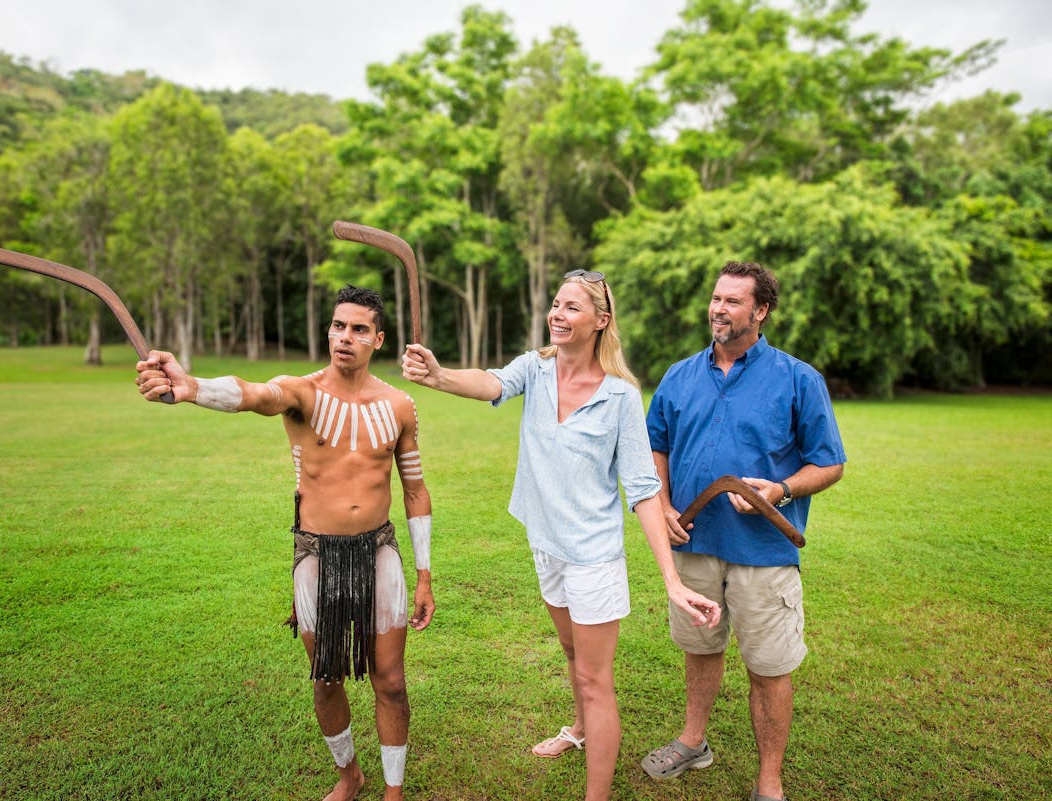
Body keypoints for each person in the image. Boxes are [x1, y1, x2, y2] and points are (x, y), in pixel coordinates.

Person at [402, 270, 720, 801]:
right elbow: (491, 383)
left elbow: (643, 490)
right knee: (572, 654)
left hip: (593, 559)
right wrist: (438, 376)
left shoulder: (620, 397)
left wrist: (670, 580)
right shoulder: (537, 369)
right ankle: (576, 730)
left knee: (596, 680)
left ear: (601, 320)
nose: (557, 314)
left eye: (572, 307)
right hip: (547, 545)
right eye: (555, 303)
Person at [135, 285, 435, 801]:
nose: (345, 337)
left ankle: (394, 791)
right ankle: (349, 776)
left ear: (378, 339)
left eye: (359, 329)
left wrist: (425, 573)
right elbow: (255, 394)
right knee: (325, 677)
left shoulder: (399, 405)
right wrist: (193, 388)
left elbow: (414, 489)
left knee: (390, 680)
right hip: (316, 555)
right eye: (338, 326)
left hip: (379, 551)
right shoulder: (303, 392)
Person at [640, 261, 846, 801]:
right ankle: (693, 742)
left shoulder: (799, 379)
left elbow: (830, 464)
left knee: (769, 668)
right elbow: (655, 445)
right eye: (715, 298)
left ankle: (769, 781)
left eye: (733, 301)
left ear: (761, 310)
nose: (719, 309)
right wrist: (661, 505)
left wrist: (779, 490)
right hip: (694, 545)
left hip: (765, 552)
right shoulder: (679, 375)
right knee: (700, 648)